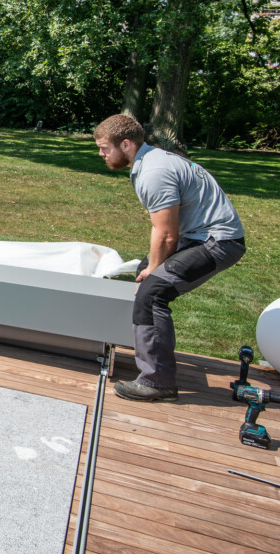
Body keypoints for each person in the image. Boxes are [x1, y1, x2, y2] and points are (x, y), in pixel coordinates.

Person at [94, 114, 246, 402]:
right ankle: (138, 346)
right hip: (201, 237)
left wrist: (154, 269)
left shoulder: (154, 172)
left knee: (152, 292)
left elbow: (167, 236)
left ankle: (158, 382)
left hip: (219, 243)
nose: (100, 154)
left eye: (104, 148)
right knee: (143, 271)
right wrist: (150, 265)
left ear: (125, 144)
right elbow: (161, 229)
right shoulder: (150, 160)